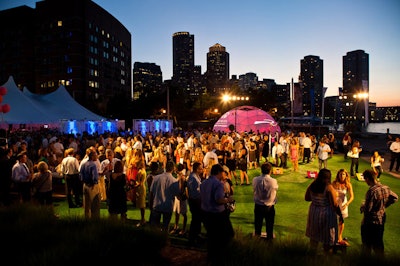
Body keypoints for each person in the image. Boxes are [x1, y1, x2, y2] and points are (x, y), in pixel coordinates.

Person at [200, 164, 235, 264]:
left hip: (205, 212)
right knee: (227, 234)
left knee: (211, 236)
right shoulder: (218, 184)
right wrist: (228, 200)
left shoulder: (204, 182)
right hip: (217, 214)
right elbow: (218, 199)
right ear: (219, 172)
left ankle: (211, 257)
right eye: (223, 172)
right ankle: (220, 257)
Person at [360, 169, 398, 257]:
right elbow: (395, 198)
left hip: (371, 221)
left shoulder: (371, 191)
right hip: (381, 218)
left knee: (367, 243)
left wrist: (362, 207)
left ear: (368, 179)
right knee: (379, 242)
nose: (365, 181)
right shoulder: (386, 188)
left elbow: (368, 210)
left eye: (365, 179)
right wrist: (384, 206)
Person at [305, 168, 339, 253]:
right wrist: (340, 214)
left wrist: (316, 199)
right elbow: (334, 204)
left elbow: (307, 198)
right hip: (326, 213)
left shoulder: (312, 185)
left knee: (314, 236)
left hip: (314, 212)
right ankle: (326, 258)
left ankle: (312, 256)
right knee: (327, 237)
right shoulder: (329, 187)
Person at [149, 161, 180, 231]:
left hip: (157, 205)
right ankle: (164, 240)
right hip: (167, 206)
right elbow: (177, 195)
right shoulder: (174, 181)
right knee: (165, 227)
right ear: (173, 169)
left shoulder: (156, 178)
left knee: (154, 228)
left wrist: (151, 205)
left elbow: (151, 193)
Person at [252, 162, 278, 240]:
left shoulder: (255, 179)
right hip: (269, 207)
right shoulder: (273, 181)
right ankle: (269, 244)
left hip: (258, 205)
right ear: (270, 171)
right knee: (269, 228)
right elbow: (275, 189)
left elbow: (254, 189)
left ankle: (256, 245)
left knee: (258, 227)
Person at [332, 169, 354, 246]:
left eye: (343, 174)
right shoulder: (334, 183)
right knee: (332, 220)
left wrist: (347, 204)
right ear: (338, 175)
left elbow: (352, 197)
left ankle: (340, 236)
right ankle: (332, 236)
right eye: (340, 174)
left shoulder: (348, 185)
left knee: (341, 220)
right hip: (334, 204)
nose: (342, 176)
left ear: (346, 175)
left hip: (343, 205)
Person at [187, 161, 204, 246]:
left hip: (196, 200)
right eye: (201, 168)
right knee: (195, 220)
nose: (202, 170)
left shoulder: (196, 177)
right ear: (197, 169)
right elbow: (194, 192)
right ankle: (192, 238)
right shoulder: (193, 178)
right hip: (195, 201)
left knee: (197, 219)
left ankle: (197, 235)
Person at [79, 151, 101, 219]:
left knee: (86, 204)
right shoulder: (93, 165)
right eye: (96, 155)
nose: (97, 157)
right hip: (92, 186)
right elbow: (94, 176)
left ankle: (86, 218)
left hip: (85, 185)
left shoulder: (83, 164)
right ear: (92, 156)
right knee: (94, 204)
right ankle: (94, 219)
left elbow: (80, 175)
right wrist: (94, 183)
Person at [170, 163, 188, 235]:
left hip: (181, 197)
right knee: (177, 212)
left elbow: (181, 187)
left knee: (183, 213)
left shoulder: (181, 177)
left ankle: (183, 229)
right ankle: (176, 226)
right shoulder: (180, 176)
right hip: (178, 197)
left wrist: (179, 194)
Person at [135, 160, 147, 226]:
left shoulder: (142, 172)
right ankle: (142, 219)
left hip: (141, 188)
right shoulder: (142, 171)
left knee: (142, 205)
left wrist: (134, 186)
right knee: (141, 205)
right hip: (140, 188)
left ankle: (143, 219)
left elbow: (140, 182)